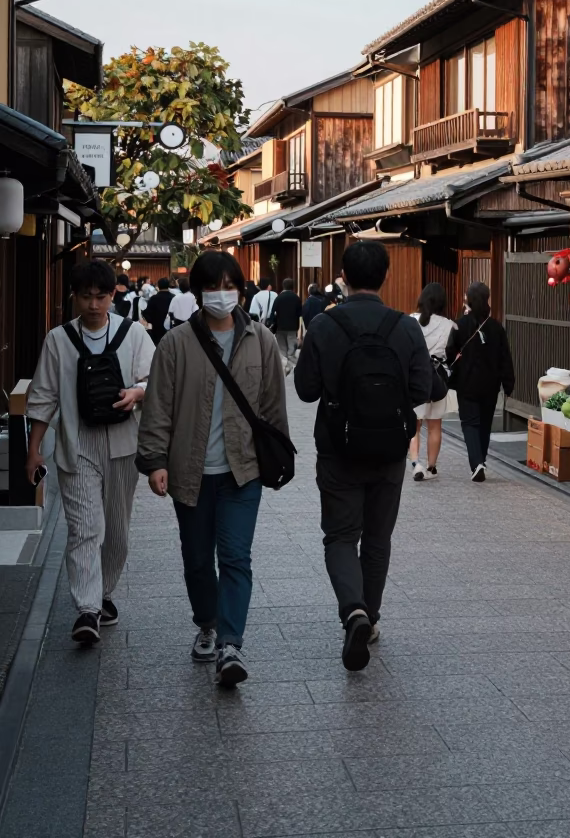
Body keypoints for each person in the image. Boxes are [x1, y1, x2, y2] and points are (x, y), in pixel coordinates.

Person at [135, 250, 289, 686]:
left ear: (241, 288)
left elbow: (274, 406)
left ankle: (231, 643)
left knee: (236, 557)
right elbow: (159, 407)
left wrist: (275, 456)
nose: (222, 294)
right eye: (212, 286)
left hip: (244, 471)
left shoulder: (261, 340)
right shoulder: (176, 343)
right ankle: (207, 621)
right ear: (198, 292)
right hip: (190, 471)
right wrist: (155, 462)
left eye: (229, 285)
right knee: (198, 559)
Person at [294, 241, 431, 672]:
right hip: (390, 451)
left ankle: (352, 610)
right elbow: (422, 391)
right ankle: (368, 618)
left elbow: (305, 390)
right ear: (385, 276)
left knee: (339, 536)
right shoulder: (405, 328)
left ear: (343, 277)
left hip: (338, 450)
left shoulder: (323, 325)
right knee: (377, 539)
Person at [26, 260, 154, 643]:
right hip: (75, 443)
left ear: (113, 294)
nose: (94, 305)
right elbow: (43, 398)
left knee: (116, 532)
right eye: (86, 297)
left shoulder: (134, 335)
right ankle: (87, 609)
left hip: (123, 446)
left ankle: (103, 593)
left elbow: (157, 379)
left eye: (101, 296)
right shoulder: (58, 339)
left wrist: (138, 392)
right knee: (86, 529)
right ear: (75, 297)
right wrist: (34, 451)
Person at [446, 281, 514, 483]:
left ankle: (477, 464)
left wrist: (455, 369)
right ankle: (481, 461)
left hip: (466, 383)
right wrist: (508, 383)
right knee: (484, 423)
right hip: (490, 385)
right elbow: (505, 357)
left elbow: (450, 352)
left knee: (469, 423)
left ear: (468, 300)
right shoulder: (496, 327)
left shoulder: (459, 325)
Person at [408, 282, 456, 482]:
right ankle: (431, 466)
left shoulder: (410, 321)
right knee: (435, 425)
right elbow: (451, 354)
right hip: (436, 379)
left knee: (415, 425)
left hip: (415, 378)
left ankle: (415, 463)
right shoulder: (450, 325)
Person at [268, 278, 303, 371]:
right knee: (291, 347)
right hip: (292, 327)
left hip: (280, 327)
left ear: (283, 286)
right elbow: (300, 314)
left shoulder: (278, 298)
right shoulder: (296, 298)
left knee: (282, 348)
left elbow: (273, 313)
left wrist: (272, 324)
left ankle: (284, 366)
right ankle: (291, 364)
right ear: (293, 287)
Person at [142, 277, 174, 345]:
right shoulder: (174, 297)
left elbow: (147, 313)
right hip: (172, 329)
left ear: (158, 286)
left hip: (156, 329)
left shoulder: (154, 298)